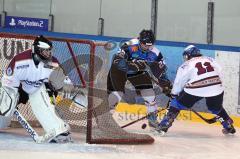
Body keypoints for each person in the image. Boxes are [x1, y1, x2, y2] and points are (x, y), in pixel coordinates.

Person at [0, 35, 72, 143]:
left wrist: (71, 90)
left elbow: (64, 82)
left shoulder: (53, 63)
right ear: (37, 50)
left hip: (38, 88)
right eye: (45, 51)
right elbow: (8, 84)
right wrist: (10, 99)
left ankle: (57, 129)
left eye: (49, 51)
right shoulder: (20, 61)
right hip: (18, 88)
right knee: (4, 111)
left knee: (46, 101)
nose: (48, 54)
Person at [156, 45, 236, 135]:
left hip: (196, 89)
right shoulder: (210, 59)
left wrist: (174, 94)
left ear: (187, 55)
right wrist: (216, 84)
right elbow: (220, 71)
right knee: (215, 108)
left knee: (176, 104)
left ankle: (164, 125)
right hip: (216, 86)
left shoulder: (186, 64)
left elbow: (179, 81)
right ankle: (228, 125)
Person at [107, 29, 172, 128]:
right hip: (119, 72)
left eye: (150, 45)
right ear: (140, 41)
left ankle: (152, 121)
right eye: (145, 45)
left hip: (137, 73)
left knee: (149, 94)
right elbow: (117, 61)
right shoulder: (130, 45)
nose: (147, 48)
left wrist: (166, 85)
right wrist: (132, 65)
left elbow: (161, 72)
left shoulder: (156, 53)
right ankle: (105, 119)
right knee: (117, 94)